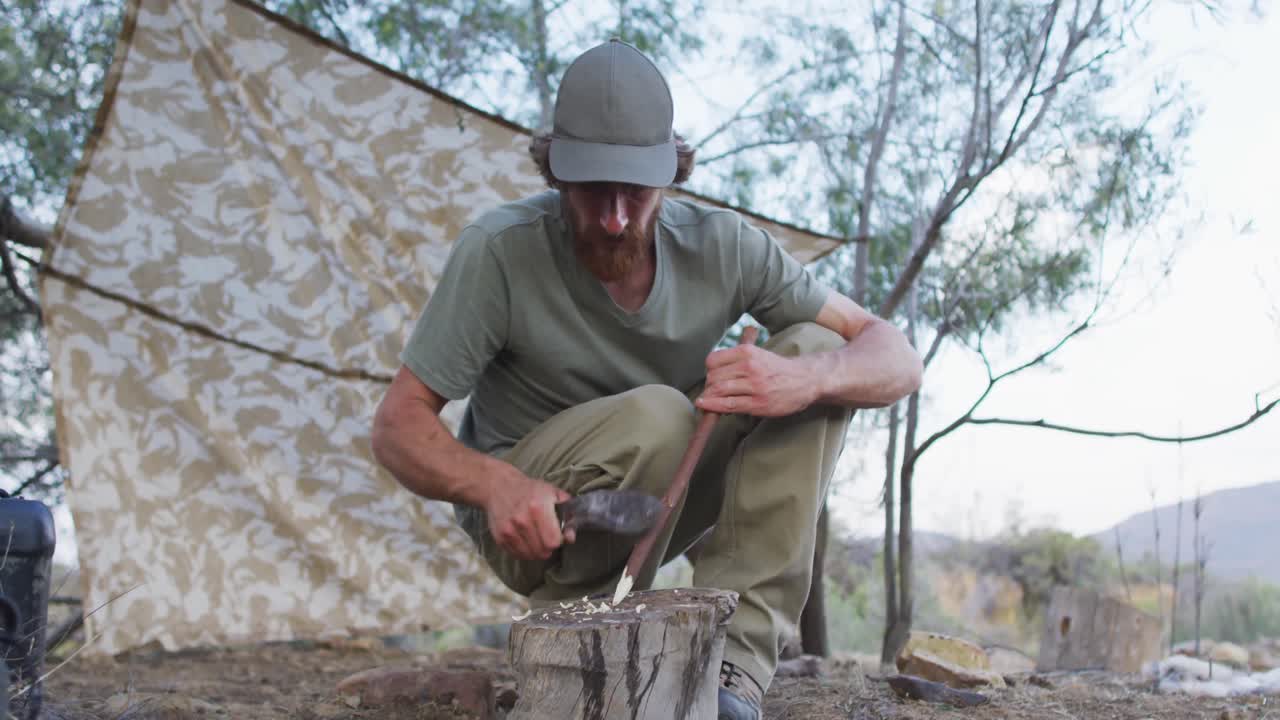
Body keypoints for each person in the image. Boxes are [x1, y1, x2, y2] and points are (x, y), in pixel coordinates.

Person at [371, 38, 923, 720]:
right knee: (664, 414)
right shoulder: (499, 251)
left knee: (814, 349)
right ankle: (583, 635)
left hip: (665, 497)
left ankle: (733, 669)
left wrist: (807, 379)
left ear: (673, 173)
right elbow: (398, 426)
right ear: (555, 174)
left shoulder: (722, 245)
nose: (613, 218)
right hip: (536, 526)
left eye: (634, 191)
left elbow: (895, 355)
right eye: (591, 191)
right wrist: (496, 484)